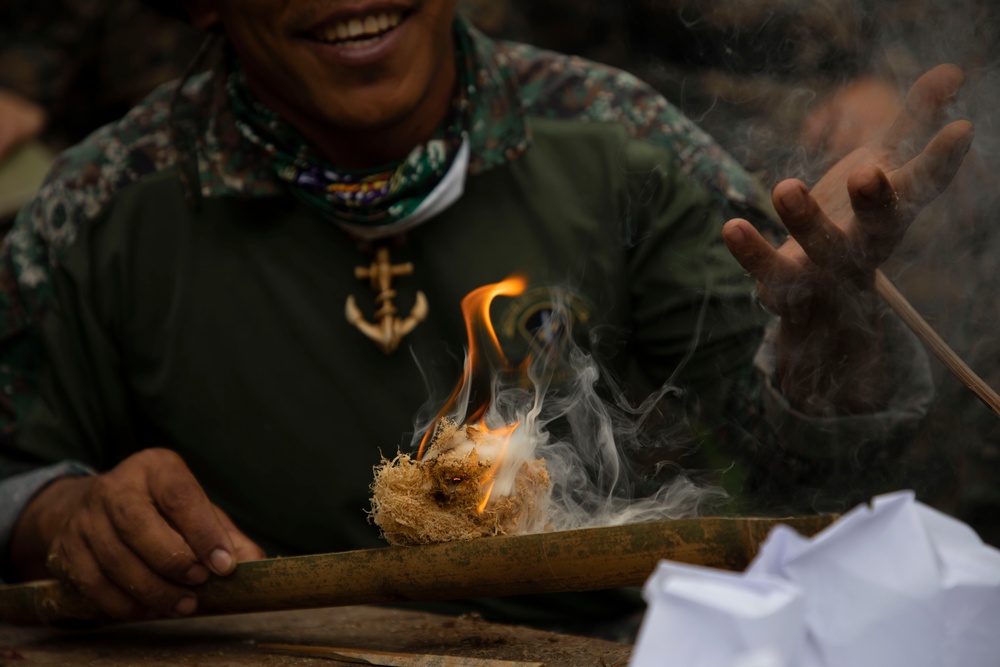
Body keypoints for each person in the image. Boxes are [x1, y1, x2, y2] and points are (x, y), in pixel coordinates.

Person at [0, 0, 972, 628]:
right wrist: (61, 512)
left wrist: (828, 336)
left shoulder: (615, 141)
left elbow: (805, 477)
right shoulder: (109, 205)